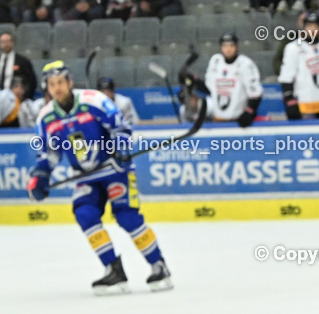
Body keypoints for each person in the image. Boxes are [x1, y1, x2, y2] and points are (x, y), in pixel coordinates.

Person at [29, 61, 172, 294]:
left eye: (60, 82)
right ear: (47, 87)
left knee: (126, 216)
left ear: (69, 82)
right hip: (86, 176)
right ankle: (113, 270)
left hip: (115, 169)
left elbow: (121, 128)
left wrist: (121, 149)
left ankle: (159, 265)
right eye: (52, 84)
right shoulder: (46, 118)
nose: (57, 88)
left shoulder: (93, 100)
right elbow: (49, 152)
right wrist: (41, 174)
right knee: (85, 214)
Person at [204, 32, 263, 127]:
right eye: (225, 46)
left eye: (231, 45)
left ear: (236, 47)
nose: (228, 49)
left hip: (237, 121)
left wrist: (249, 111)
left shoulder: (245, 64)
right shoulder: (215, 61)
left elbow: (255, 93)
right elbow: (209, 88)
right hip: (218, 120)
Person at [1, 32, 39, 99]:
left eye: (8, 41)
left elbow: (32, 81)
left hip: (16, 99)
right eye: (3, 42)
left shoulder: (23, 61)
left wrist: (24, 97)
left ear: (13, 42)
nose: (6, 44)